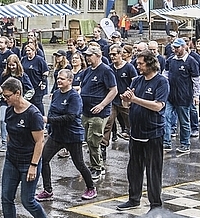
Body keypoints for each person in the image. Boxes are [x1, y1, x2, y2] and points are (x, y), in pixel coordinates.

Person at [116, 50, 169, 211]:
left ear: (151, 63)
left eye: (141, 63)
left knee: (153, 170)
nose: (137, 66)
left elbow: (158, 106)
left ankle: (155, 204)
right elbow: (127, 105)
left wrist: (135, 99)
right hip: (136, 132)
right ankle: (134, 198)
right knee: (134, 168)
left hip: (153, 133)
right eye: (137, 63)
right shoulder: (137, 81)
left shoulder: (161, 82)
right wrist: (126, 100)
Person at [0, 77, 51, 218]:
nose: (5, 99)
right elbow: (9, 133)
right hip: (12, 160)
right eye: (3, 96)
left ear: (18, 93)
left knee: (27, 200)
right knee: (6, 197)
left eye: (7, 96)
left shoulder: (33, 114)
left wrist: (33, 166)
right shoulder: (9, 110)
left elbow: (39, 142)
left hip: (29, 162)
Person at [36, 69, 97, 201]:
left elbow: (70, 117)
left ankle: (91, 188)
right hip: (57, 136)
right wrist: (48, 128)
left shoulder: (74, 97)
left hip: (72, 136)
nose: (58, 80)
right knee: (44, 159)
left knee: (79, 163)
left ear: (70, 81)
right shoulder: (57, 93)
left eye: (62, 79)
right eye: (58, 78)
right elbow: (52, 112)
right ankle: (47, 190)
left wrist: (48, 120)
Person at [79, 45, 118, 179]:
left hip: (99, 113)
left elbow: (113, 90)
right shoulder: (87, 71)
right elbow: (82, 87)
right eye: (87, 55)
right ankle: (95, 164)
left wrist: (102, 105)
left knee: (94, 140)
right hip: (86, 111)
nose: (88, 58)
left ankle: (98, 167)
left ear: (98, 55)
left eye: (90, 55)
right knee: (87, 140)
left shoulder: (106, 70)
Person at [163, 38, 200, 154]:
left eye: (177, 47)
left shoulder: (191, 61)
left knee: (184, 122)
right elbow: (165, 74)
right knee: (165, 118)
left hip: (184, 96)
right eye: (174, 47)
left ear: (184, 47)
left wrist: (196, 96)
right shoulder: (170, 60)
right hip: (170, 96)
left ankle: (185, 144)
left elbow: (196, 80)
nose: (175, 50)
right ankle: (166, 142)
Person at [0, 54, 34, 152]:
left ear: (18, 64)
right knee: (3, 120)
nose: (11, 67)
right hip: (5, 102)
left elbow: (31, 90)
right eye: (9, 65)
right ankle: (5, 143)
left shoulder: (22, 76)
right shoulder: (4, 75)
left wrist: (23, 99)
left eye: (13, 65)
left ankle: (17, 141)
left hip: (18, 103)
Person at [103, 44, 137, 144]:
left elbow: (135, 81)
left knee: (130, 122)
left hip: (125, 100)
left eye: (114, 54)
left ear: (120, 54)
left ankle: (135, 142)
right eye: (110, 55)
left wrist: (130, 94)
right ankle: (103, 145)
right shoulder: (109, 68)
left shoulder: (129, 67)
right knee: (108, 122)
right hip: (112, 100)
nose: (112, 57)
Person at [21, 43, 49, 114]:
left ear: (34, 51)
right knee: (27, 104)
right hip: (27, 86)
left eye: (29, 51)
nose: (27, 52)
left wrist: (43, 81)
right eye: (26, 51)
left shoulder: (39, 60)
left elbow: (45, 71)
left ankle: (42, 119)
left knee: (37, 104)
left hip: (37, 86)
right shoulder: (23, 60)